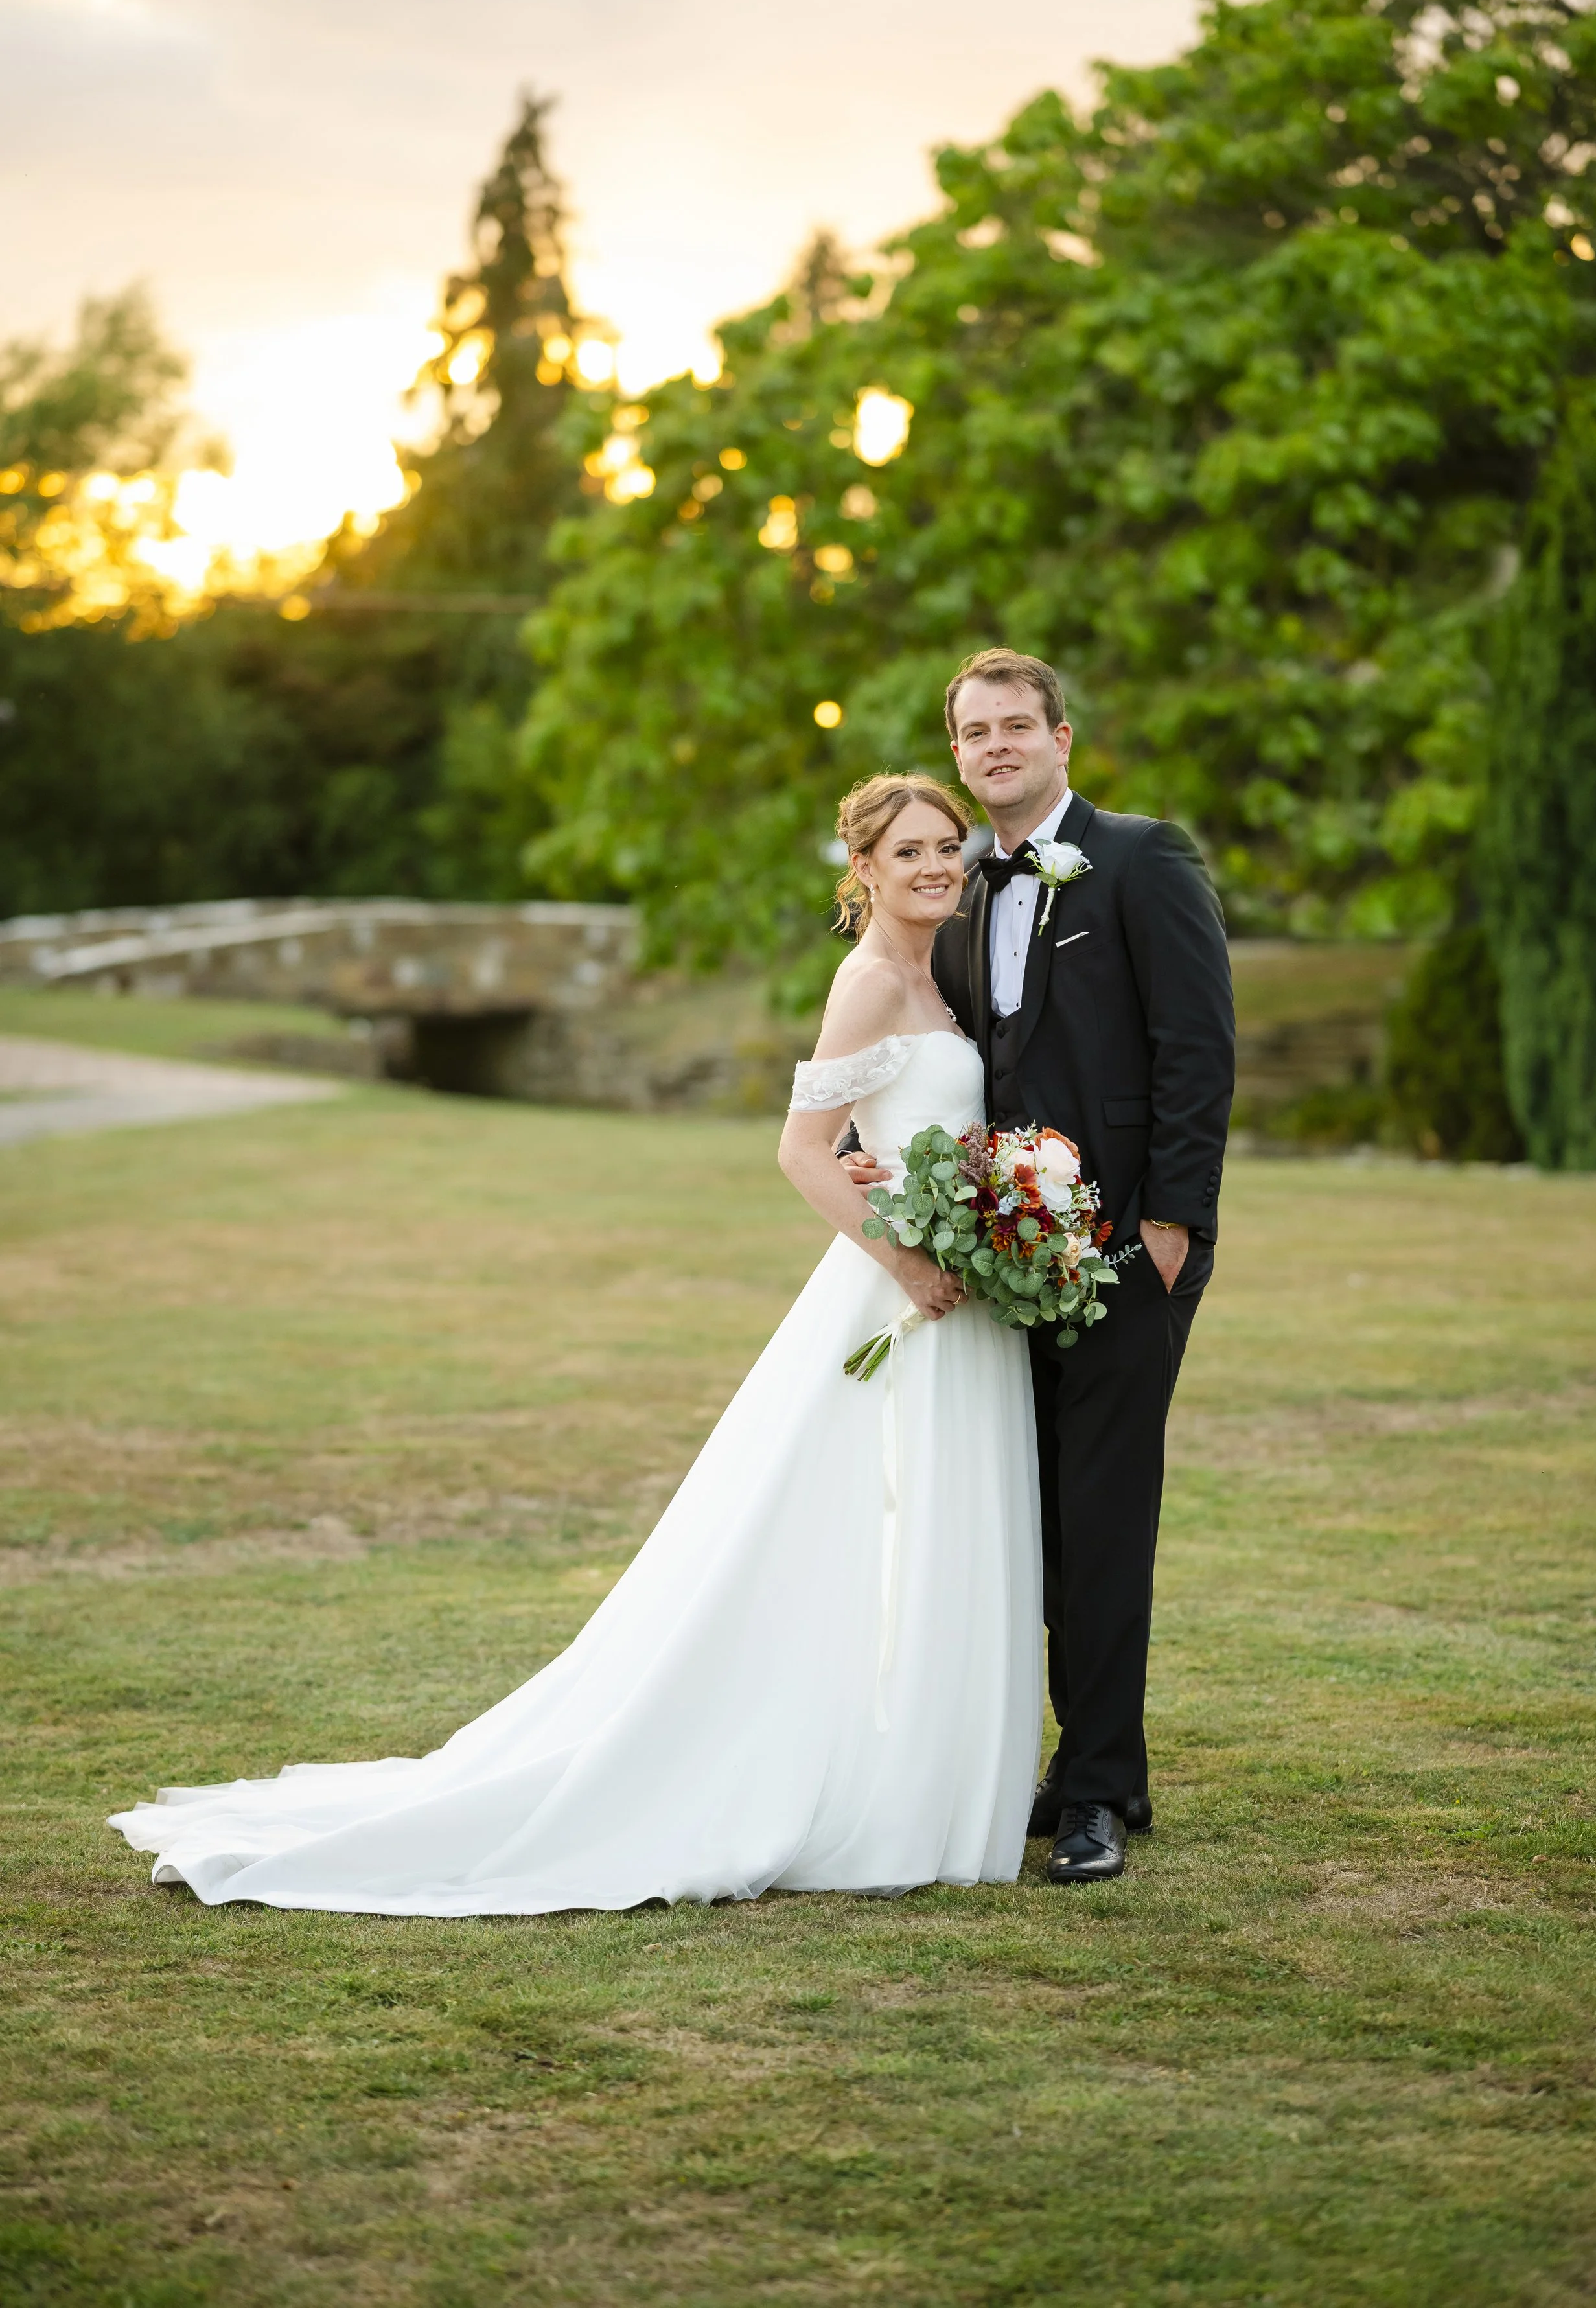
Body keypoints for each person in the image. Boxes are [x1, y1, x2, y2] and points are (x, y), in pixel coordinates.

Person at [108, 774, 1043, 1916]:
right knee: (846, 1522)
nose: (938, 865)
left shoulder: (937, 975)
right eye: (910, 851)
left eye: (948, 846)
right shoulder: (864, 981)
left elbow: (901, 1128)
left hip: (956, 1291)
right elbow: (803, 1150)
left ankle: (921, 1762)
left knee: (925, 1527)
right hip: (899, 1298)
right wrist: (903, 1257)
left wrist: (978, 1207)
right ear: (867, 869)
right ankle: (863, 1776)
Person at [843, 650, 1234, 1884]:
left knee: (1108, 1512)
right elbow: (946, 1062)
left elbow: (1198, 1048)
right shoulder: (955, 894)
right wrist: (874, 1155)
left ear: (1062, 738)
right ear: (956, 751)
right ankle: (1073, 1761)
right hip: (1007, 1256)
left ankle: (1105, 1787)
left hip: (1127, 1252)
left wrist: (1170, 1225)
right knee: (1035, 1513)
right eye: (975, 730)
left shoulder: (1141, 858)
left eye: (1019, 725)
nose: (997, 744)